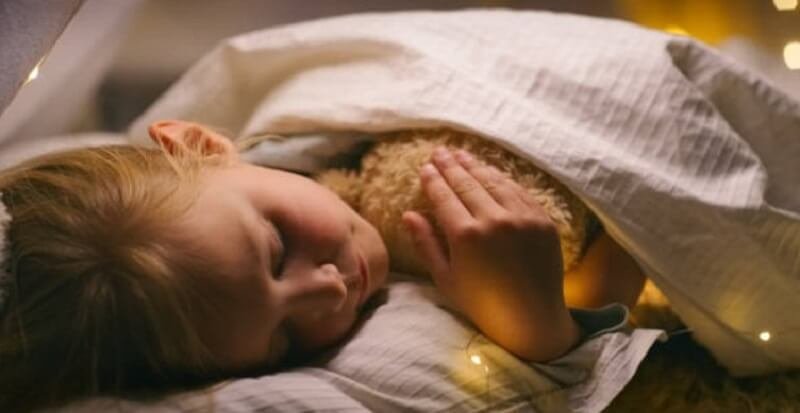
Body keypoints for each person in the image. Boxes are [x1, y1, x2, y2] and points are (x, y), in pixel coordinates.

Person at [0, 120, 645, 412]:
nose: (329, 290)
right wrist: (540, 330)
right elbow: (642, 236)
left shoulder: (316, 127)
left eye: (278, 248)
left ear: (200, 145)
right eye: (284, 339)